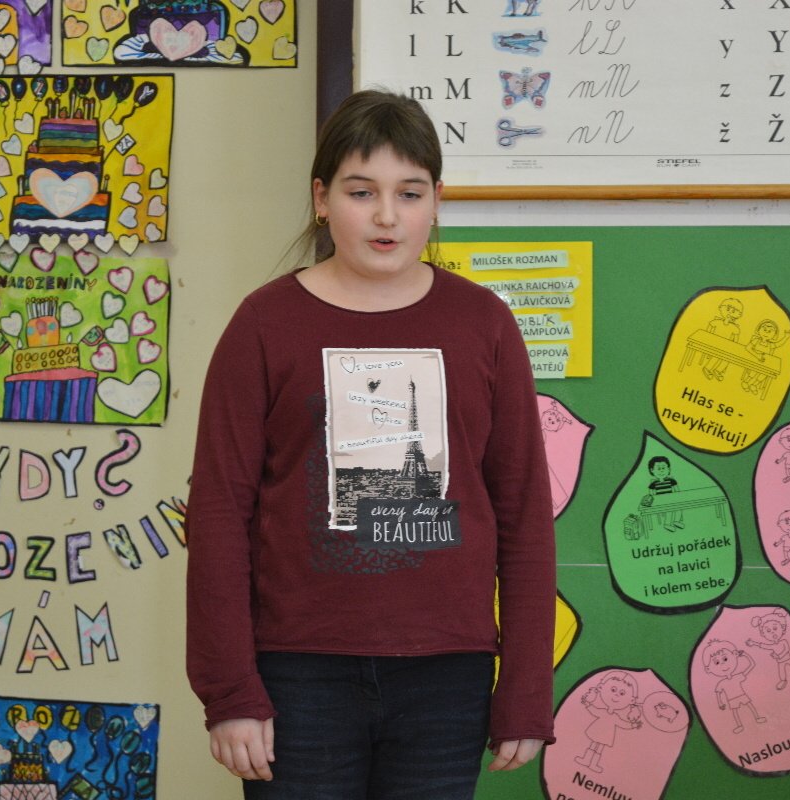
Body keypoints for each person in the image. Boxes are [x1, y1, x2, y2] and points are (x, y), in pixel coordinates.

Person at [185, 89, 557, 799]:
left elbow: (524, 517)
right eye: (362, 192)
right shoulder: (263, 325)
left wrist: (526, 689)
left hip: (448, 678)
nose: (387, 215)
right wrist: (230, 689)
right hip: (297, 674)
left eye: (409, 193)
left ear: (437, 201)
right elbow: (219, 515)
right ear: (322, 200)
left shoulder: (484, 324)